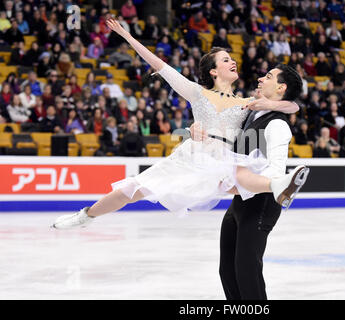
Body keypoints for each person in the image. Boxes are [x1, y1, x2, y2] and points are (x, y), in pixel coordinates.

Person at [52, 19, 307, 229]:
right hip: (192, 156)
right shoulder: (196, 92)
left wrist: (269, 105)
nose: (232, 61)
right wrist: (128, 38)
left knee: (242, 177)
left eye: (231, 58)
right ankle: (85, 216)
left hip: (223, 159)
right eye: (225, 59)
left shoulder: (247, 101)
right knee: (132, 189)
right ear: (213, 72)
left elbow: (294, 106)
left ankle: (279, 185)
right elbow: (160, 66)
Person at [191, 64, 309, 300]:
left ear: (280, 87)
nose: (260, 79)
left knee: (247, 273)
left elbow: (275, 171)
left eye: (268, 76)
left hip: (261, 205)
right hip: (239, 204)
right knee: (228, 272)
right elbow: (293, 104)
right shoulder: (252, 111)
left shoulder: (277, 124)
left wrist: (238, 184)